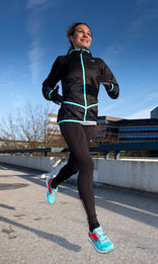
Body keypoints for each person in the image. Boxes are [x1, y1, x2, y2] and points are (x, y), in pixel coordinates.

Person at [42, 22, 119, 253]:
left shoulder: (99, 63)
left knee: (75, 166)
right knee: (87, 163)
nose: (85, 36)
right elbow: (46, 86)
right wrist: (55, 96)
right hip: (69, 116)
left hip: (90, 120)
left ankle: (52, 183)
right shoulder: (63, 61)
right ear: (71, 37)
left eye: (89, 34)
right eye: (80, 32)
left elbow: (116, 91)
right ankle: (94, 228)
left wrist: (109, 86)